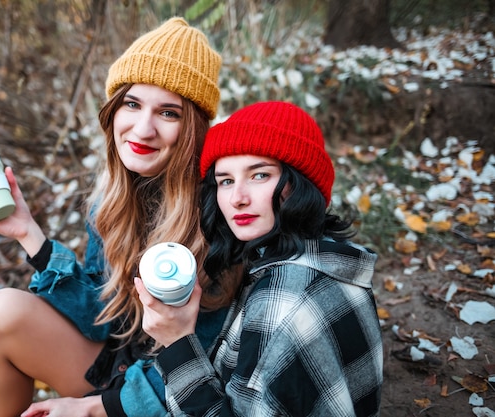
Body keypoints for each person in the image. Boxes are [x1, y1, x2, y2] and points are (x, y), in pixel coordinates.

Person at [0, 17, 239, 417]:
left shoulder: (221, 207)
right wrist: (27, 231)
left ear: (192, 127)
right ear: (113, 109)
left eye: (168, 113)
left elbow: (215, 358)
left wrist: (93, 408)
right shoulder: (114, 197)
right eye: (133, 103)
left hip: (179, 391)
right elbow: (102, 317)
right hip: (119, 365)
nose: (142, 128)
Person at [136, 101, 384, 416]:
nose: (238, 198)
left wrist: (176, 341)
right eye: (226, 180)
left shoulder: (283, 299)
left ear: (300, 182)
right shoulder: (327, 260)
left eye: (259, 175)